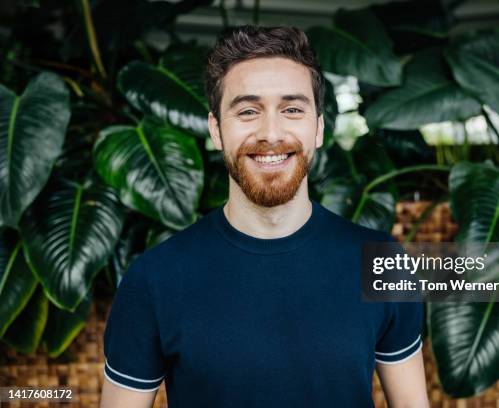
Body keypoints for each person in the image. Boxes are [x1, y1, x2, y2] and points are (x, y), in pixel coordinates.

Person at [100, 25, 428, 408]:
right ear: (216, 130)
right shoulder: (153, 280)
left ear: (319, 128)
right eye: (248, 111)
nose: (271, 132)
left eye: (292, 109)